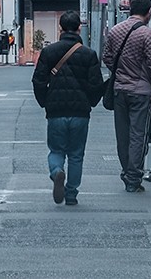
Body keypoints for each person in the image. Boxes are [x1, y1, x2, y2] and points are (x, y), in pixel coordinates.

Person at [31, 11, 105, 206]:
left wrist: (45, 102)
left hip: (55, 111)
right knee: (76, 154)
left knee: (56, 150)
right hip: (80, 112)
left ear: (60, 28)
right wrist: (91, 102)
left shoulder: (49, 52)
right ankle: (71, 194)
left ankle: (56, 172)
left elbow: (38, 80)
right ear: (79, 28)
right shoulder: (89, 54)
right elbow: (97, 84)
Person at [102, 0, 151, 193]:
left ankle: (126, 171)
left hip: (120, 89)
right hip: (141, 91)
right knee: (138, 134)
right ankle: (133, 177)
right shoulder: (147, 34)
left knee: (123, 133)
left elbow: (108, 58)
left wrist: (120, 72)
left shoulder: (115, 30)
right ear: (149, 11)